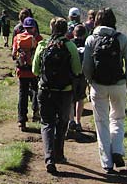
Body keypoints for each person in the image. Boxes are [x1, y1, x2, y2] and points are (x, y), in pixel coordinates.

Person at [83, 8, 127, 174]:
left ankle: (107, 163)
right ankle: (117, 151)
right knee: (118, 118)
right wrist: (124, 81)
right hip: (118, 85)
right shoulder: (121, 39)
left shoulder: (91, 39)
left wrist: (91, 81)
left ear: (97, 21)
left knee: (101, 123)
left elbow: (86, 66)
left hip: (98, 86)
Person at [32, 17, 81, 174]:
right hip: (64, 91)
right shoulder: (70, 46)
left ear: (52, 29)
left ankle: (49, 158)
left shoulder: (43, 45)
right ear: (66, 29)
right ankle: (59, 154)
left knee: (47, 123)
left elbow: (35, 70)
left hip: (45, 90)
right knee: (62, 122)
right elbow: (77, 70)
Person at [11, 17, 42, 129]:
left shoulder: (17, 38)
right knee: (36, 92)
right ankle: (36, 113)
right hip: (34, 71)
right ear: (34, 27)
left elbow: (14, 55)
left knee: (22, 95)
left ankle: (22, 120)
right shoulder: (38, 38)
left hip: (22, 71)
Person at [68, 24, 88, 136]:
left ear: (73, 33)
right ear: (84, 34)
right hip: (82, 75)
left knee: (71, 98)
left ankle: (71, 120)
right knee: (80, 98)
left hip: (71, 75)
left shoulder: (70, 43)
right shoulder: (87, 44)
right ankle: (78, 122)